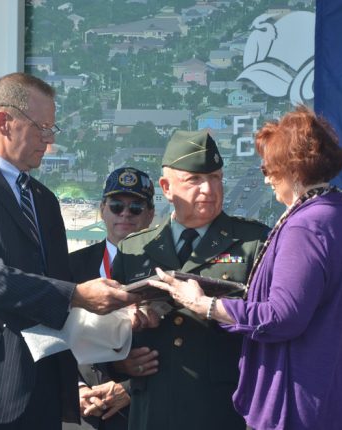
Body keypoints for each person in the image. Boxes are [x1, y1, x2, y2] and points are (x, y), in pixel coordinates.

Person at [0, 72, 140, 430]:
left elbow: (53, 290)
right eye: (43, 129)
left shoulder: (44, 200)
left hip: (40, 391)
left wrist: (120, 323)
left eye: (53, 130)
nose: (49, 142)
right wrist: (78, 295)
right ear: (4, 122)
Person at [149, 106, 342, 429]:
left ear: (293, 170)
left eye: (270, 168)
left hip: (296, 407)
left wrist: (204, 304)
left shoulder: (305, 227)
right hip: (329, 401)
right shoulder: (338, 219)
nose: (266, 178)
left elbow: (281, 318)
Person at [110, 130, 270, 430]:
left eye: (216, 177)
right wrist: (120, 358)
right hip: (151, 410)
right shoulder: (133, 249)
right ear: (166, 187)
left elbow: (268, 320)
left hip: (220, 410)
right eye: (195, 180)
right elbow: (106, 328)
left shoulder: (252, 242)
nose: (209, 189)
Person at [65, 166, 159, 430]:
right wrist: (76, 388)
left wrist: (129, 387)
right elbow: (53, 334)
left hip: (143, 410)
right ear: (102, 210)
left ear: (150, 214)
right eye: (117, 206)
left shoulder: (166, 270)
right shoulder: (70, 266)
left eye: (136, 208)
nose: (125, 214)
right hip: (84, 411)